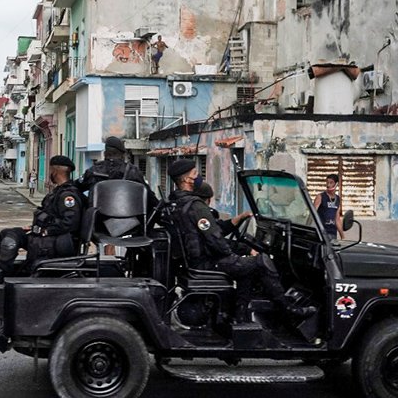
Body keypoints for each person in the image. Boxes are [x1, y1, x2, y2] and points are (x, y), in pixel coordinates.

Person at [166, 158, 316, 322]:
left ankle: (241, 316)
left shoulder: (177, 202)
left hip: (195, 261)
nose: (199, 176)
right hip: (206, 262)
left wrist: (239, 227)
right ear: (187, 179)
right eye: (196, 173)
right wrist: (236, 252)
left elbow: (212, 232)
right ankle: (289, 309)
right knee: (262, 261)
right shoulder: (196, 206)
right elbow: (216, 242)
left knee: (247, 269)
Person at [0, 155, 83, 290]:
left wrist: (44, 231)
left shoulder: (67, 195)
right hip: (47, 237)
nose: (49, 173)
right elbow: (49, 216)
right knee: (8, 235)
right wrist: (35, 227)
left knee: (10, 240)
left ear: (56, 171)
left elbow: (70, 223)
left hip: (56, 242)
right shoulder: (57, 192)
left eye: (50, 169)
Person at [78, 136, 146, 196]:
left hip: (97, 210)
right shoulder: (133, 172)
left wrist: (86, 203)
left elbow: (75, 188)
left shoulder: (93, 171)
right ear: (122, 156)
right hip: (127, 210)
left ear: (105, 154)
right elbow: (149, 196)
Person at [313, 174, 345, 241]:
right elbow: (312, 214)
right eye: (327, 182)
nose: (328, 185)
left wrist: (342, 236)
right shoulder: (320, 197)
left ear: (336, 184)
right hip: (321, 233)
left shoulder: (338, 199)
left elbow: (337, 219)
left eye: (331, 182)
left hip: (332, 233)